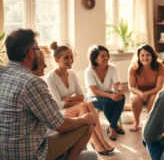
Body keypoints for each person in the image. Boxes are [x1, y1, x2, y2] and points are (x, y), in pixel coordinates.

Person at [0, 28, 95, 160]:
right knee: (87, 126)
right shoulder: (32, 82)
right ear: (31, 53)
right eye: (38, 49)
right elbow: (60, 124)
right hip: (30, 154)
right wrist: (84, 119)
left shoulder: (2, 73)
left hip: (4, 152)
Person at [45, 42, 114, 155]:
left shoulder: (72, 73)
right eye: (66, 57)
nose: (70, 60)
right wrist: (75, 101)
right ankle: (96, 142)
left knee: (89, 104)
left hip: (70, 106)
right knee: (83, 105)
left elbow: (82, 95)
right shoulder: (50, 78)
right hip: (58, 111)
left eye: (71, 56)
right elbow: (58, 104)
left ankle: (101, 140)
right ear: (57, 60)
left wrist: (68, 99)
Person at [85, 45, 125, 141]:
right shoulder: (89, 71)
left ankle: (111, 126)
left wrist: (119, 91)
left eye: (107, 55)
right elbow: (94, 90)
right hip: (92, 98)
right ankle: (114, 127)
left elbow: (117, 84)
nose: (106, 58)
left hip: (108, 94)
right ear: (95, 58)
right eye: (102, 56)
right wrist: (111, 95)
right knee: (107, 101)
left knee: (122, 97)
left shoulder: (112, 68)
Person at [128, 44, 164, 132]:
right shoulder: (133, 67)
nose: (145, 58)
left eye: (148, 55)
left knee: (153, 99)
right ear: (138, 57)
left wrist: (147, 93)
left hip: (154, 91)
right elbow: (131, 87)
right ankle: (136, 122)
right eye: (142, 55)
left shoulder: (160, 66)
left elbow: (159, 87)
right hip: (139, 91)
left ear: (152, 56)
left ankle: (150, 122)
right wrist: (141, 94)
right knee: (135, 99)